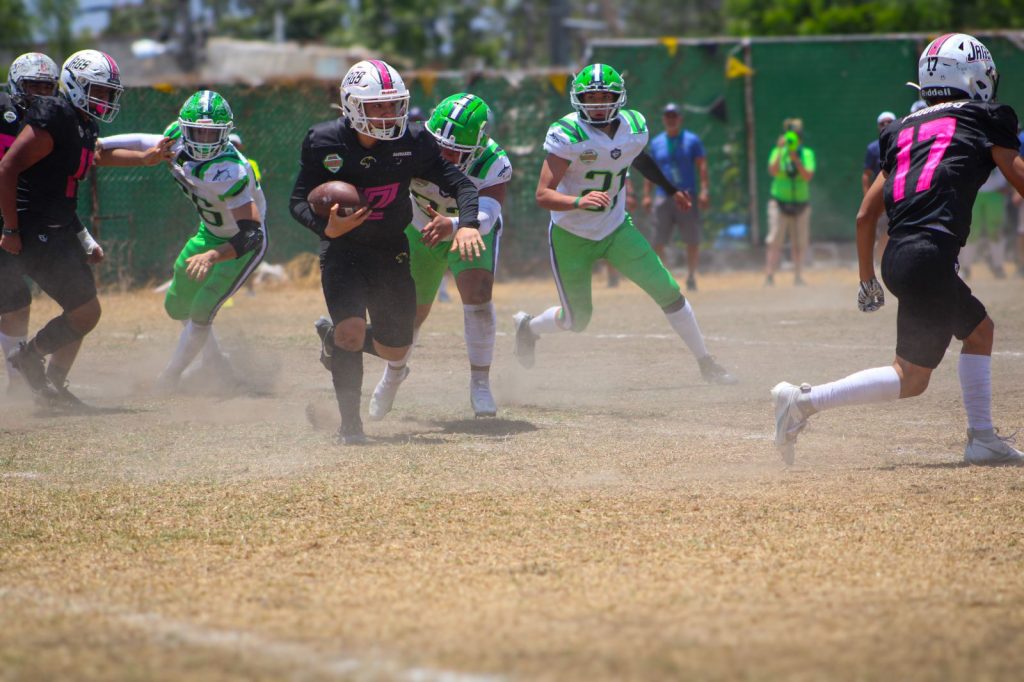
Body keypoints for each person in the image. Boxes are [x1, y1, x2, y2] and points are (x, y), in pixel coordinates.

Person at [772, 33, 1024, 466]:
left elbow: (864, 216)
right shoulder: (985, 117)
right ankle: (802, 401)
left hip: (898, 256)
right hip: (930, 253)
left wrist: (866, 280)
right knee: (918, 373)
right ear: (973, 76)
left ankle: (983, 438)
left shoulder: (901, 129)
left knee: (971, 337)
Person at [289, 59, 482, 445]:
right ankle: (350, 426)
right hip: (343, 248)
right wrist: (326, 228)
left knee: (396, 347)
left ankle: (332, 339)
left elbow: (463, 185)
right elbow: (297, 201)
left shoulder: (413, 142)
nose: (387, 114)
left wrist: (469, 224)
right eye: (377, 106)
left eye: (393, 104)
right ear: (352, 105)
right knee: (350, 332)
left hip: (390, 248)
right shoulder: (324, 141)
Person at [512, 63, 735, 385]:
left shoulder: (634, 126)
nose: (598, 104)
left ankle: (707, 363)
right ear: (579, 100)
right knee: (577, 319)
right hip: (571, 234)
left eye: (605, 97)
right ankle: (529, 327)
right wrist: (579, 201)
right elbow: (543, 194)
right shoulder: (567, 133)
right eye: (591, 98)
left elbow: (637, 158)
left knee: (669, 292)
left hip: (615, 228)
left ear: (618, 98)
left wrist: (671, 189)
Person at [0, 49, 149, 408]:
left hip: (57, 228)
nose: (105, 99)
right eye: (99, 90)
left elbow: (65, 183)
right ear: (75, 85)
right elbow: (8, 169)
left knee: (84, 311)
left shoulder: (84, 124)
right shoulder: (54, 114)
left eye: (109, 92)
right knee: (29, 305)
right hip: (32, 230)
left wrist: (83, 236)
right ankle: (27, 373)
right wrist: (11, 230)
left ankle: (44, 378)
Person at [97, 90, 269, 392]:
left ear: (225, 133)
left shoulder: (231, 170)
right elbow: (143, 142)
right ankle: (215, 364)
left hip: (239, 246)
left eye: (211, 133)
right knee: (176, 305)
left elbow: (252, 234)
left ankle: (169, 378)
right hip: (209, 232)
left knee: (202, 310)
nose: (203, 140)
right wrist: (100, 144)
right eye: (197, 132)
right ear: (184, 128)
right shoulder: (175, 137)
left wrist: (213, 256)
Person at [369, 92, 511, 420]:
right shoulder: (409, 143)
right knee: (411, 313)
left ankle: (480, 383)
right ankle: (393, 374)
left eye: (454, 151)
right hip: (420, 229)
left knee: (478, 295)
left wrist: (456, 225)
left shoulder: (493, 162)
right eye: (438, 144)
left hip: (469, 229)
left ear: (477, 148)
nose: (442, 154)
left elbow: (488, 214)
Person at [0, 52, 62, 396]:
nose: (39, 93)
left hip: (13, 216)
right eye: (32, 85)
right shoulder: (3, 111)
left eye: (46, 86)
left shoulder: (49, 121)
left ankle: (17, 386)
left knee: (15, 299)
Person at [643, 102, 710, 291]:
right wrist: (647, 195)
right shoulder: (656, 142)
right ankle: (666, 277)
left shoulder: (692, 140)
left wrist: (704, 190)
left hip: (687, 194)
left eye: (674, 116)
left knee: (691, 239)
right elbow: (650, 170)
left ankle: (691, 275)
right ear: (664, 119)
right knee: (657, 240)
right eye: (668, 116)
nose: (671, 119)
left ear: (680, 119)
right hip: (663, 196)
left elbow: (702, 166)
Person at [764, 118, 815, 286]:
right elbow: (772, 171)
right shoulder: (778, 151)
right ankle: (769, 275)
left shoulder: (806, 153)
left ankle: (798, 276)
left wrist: (796, 159)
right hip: (779, 202)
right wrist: (780, 150)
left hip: (801, 204)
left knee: (799, 242)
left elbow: (807, 175)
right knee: (774, 240)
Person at [862, 111, 896, 263]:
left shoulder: (903, 143)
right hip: (881, 198)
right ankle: (879, 262)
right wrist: (868, 198)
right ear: (878, 126)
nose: (886, 125)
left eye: (890, 122)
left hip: (898, 196)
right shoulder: (873, 148)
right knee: (882, 232)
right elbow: (866, 175)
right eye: (883, 123)